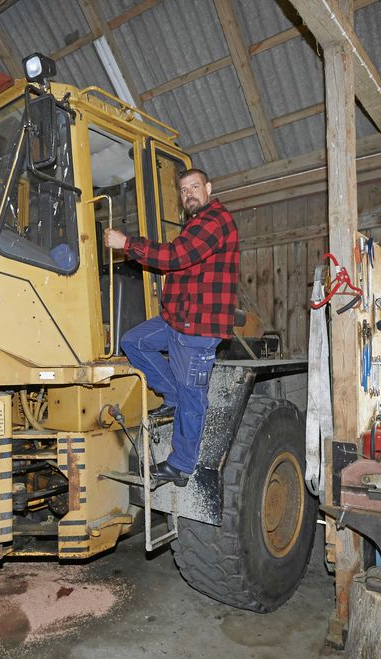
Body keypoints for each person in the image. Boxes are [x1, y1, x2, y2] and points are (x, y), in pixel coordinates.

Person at [103, 168, 239, 486]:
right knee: (134, 341)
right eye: (183, 190)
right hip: (177, 320)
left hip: (198, 328)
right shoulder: (194, 224)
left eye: (194, 187)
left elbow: (176, 256)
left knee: (194, 397)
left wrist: (127, 243)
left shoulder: (215, 220)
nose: (188, 193)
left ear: (208, 187)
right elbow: (179, 264)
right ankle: (171, 393)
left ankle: (181, 465)